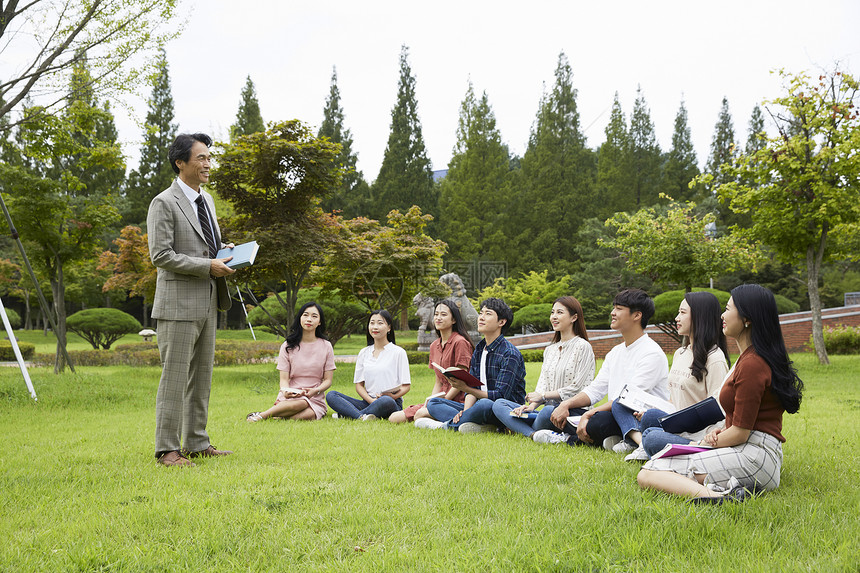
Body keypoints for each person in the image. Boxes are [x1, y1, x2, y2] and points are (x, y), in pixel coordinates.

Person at [637, 284, 804, 503]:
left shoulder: (753, 363)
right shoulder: (749, 358)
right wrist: (719, 432)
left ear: (747, 318)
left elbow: (741, 433)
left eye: (728, 309)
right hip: (749, 451)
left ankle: (717, 497)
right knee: (660, 465)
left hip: (753, 455)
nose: (722, 315)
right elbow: (740, 424)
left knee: (650, 472)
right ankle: (725, 488)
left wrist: (701, 445)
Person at [147, 133, 236, 467]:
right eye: (200, 158)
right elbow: (161, 255)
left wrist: (223, 251)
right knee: (174, 379)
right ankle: (166, 449)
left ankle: (197, 442)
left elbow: (203, 243)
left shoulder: (207, 200)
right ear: (180, 163)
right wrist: (207, 266)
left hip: (209, 301)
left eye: (209, 158)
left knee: (202, 378)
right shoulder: (164, 202)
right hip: (177, 306)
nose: (207, 164)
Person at [532, 289, 669, 448]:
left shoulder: (651, 353)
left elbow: (626, 400)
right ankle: (609, 440)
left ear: (637, 315)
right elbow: (595, 390)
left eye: (619, 309)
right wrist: (566, 404)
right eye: (614, 308)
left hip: (636, 417)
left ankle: (572, 438)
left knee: (597, 421)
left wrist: (589, 414)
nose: (612, 313)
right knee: (554, 412)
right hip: (613, 415)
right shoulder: (615, 352)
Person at [625, 292, 730, 461]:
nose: (676, 318)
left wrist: (710, 438)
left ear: (699, 316)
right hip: (679, 425)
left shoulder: (715, 358)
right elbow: (674, 400)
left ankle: (661, 448)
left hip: (699, 436)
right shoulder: (680, 353)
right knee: (650, 416)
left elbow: (720, 410)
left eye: (682, 312)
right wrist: (651, 408)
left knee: (652, 437)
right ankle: (653, 448)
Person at [491, 296, 595, 437]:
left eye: (559, 312)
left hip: (572, 411)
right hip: (547, 411)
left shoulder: (583, 347)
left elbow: (577, 387)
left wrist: (544, 396)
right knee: (499, 404)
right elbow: (543, 384)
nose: (554, 317)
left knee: (547, 411)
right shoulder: (549, 350)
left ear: (574, 317)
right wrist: (531, 406)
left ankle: (520, 427)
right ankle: (534, 434)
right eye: (552, 312)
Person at [418, 298, 526, 433]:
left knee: (486, 404)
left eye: (488, 314)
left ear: (501, 322)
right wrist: (465, 411)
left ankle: (446, 426)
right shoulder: (480, 349)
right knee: (434, 403)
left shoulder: (509, 353)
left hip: (502, 410)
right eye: (481, 313)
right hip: (478, 406)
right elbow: (473, 386)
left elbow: (500, 396)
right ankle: (476, 424)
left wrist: (464, 388)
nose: (481, 317)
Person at [246, 302, 336, 422]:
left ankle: (276, 416)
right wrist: (285, 391)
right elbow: (284, 379)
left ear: (319, 322)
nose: (309, 319)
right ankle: (262, 416)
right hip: (292, 394)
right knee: (301, 403)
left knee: (308, 415)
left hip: (314, 396)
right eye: (305, 315)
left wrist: (316, 390)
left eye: (314, 316)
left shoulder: (326, 346)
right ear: (300, 318)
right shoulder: (287, 346)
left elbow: (328, 380)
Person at [389, 300, 474, 424]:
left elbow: (462, 380)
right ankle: (437, 417)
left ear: (454, 320)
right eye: (436, 314)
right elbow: (438, 382)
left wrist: (443, 400)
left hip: (458, 400)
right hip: (439, 400)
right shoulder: (434, 345)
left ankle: (454, 420)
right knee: (394, 418)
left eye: (443, 315)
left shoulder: (460, 342)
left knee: (420, 414)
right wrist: (430, 402)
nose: (438, 318)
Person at [325, 310, 410, 420]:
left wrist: (392, 396)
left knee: (386, 401)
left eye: (380, 323)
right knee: (331, 395)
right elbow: (359, 386)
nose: (375, 327)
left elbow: (406, 386)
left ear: (389, 328)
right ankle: (360, 416)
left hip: (390, 402)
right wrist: (372, 401)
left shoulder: (398, 352)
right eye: (372, 323)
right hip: (368, 402)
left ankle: (350, 415)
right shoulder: (364, 352)